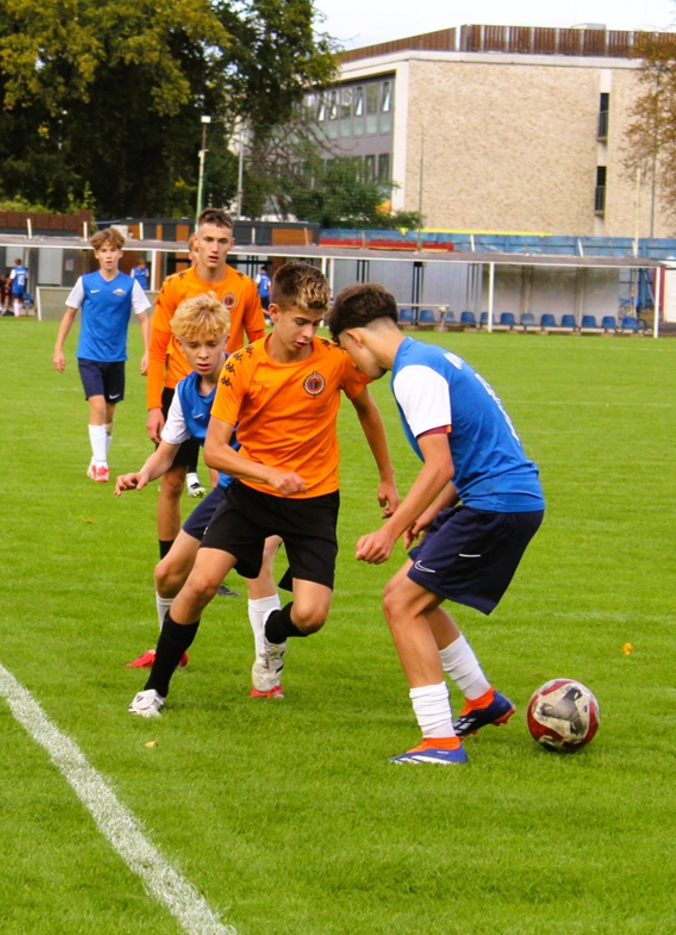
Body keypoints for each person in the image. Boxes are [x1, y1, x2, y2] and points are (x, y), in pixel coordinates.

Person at [128, 262, 400, 718]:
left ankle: (273, 633)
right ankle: (155, 689)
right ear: (274, 313)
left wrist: (387, 477)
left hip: (314, 503)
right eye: (300, 322)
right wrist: (269, 475)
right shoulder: (242, 365)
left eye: (316, 323)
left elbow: (367, 409)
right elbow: (216, 451)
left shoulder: (333, 359)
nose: (308, 333)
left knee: (310, 616)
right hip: (251, 499)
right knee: (200, 583)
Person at [324, 283, 545, 764]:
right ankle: (483, 701)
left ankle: (440, 741)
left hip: (497, 505)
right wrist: (427, 514)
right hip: (497, 498)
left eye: (344, 349)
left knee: (401, 603)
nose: (351, 363)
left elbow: (440, 465)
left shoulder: (413, 374)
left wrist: (388, 531)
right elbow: (466, 454)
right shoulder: (427, 358)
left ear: (356, 338)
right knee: (412, 596)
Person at [115, 295, 283, 677]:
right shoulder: (186, 390)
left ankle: (268, 673)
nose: (203, 354)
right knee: (167, 573)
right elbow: (167, 452)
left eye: (211, 343)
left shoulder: (248, 376)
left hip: (269, 488)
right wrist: (142, 474)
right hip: (228, 492)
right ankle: (171, 651)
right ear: (179, 345)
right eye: (193, 345)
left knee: (258, 565)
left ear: (226, 339)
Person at [145, 208, 265, 560]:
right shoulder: (175, 286)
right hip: (179, 394)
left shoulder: (244, 287)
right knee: (171, 481)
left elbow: (260, 346)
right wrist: (154, 406)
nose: (214, 248)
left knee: (221, 482)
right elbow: (157, 349)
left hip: (228, 393)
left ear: (232, 244)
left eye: (221, 241)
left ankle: (211, 565)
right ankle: (170, 563)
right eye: (208, 239)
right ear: (195, 241)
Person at [53, 227, 151, 483]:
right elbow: (69, 314)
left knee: (109, 413)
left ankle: (96, 461)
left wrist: (148, 352)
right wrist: (58, 349)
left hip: (116, 359)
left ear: (120, 253)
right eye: (104, 251)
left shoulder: (130, 285)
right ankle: (101, 464)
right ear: (96, 254)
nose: (108, 255)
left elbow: (144, 319)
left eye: (113, 250)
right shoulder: (85, 282)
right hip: (89, 357)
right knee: (97, 407)